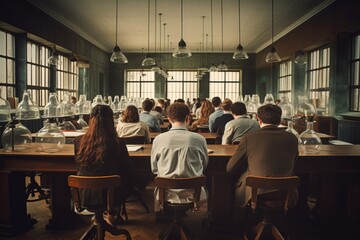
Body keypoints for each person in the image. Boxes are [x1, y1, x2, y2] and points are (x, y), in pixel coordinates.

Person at [226, 104, 299, 209]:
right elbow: (294, 163)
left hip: (255, 193)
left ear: (259, 120)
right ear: (280, 120)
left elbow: (230, 168)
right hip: (285, 191)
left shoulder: (249, 138)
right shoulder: (292, 138)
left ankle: (235, 218)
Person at [74, 105, 133, 223]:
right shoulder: (118, 143)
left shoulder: (78, 141)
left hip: (83, 195)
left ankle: (101, 216)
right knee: (126, 177)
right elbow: (128, 170)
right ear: (111, 121)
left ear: (90, 120)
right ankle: (111, 213)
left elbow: (78, 166)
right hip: (111, 196)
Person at [151, 102, 208, 211]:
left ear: (169, 119)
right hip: (194, 194)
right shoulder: (199, 139)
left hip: (166, 193)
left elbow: (154, 169)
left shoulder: (158, 139)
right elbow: (204, 165)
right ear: (188, 118)